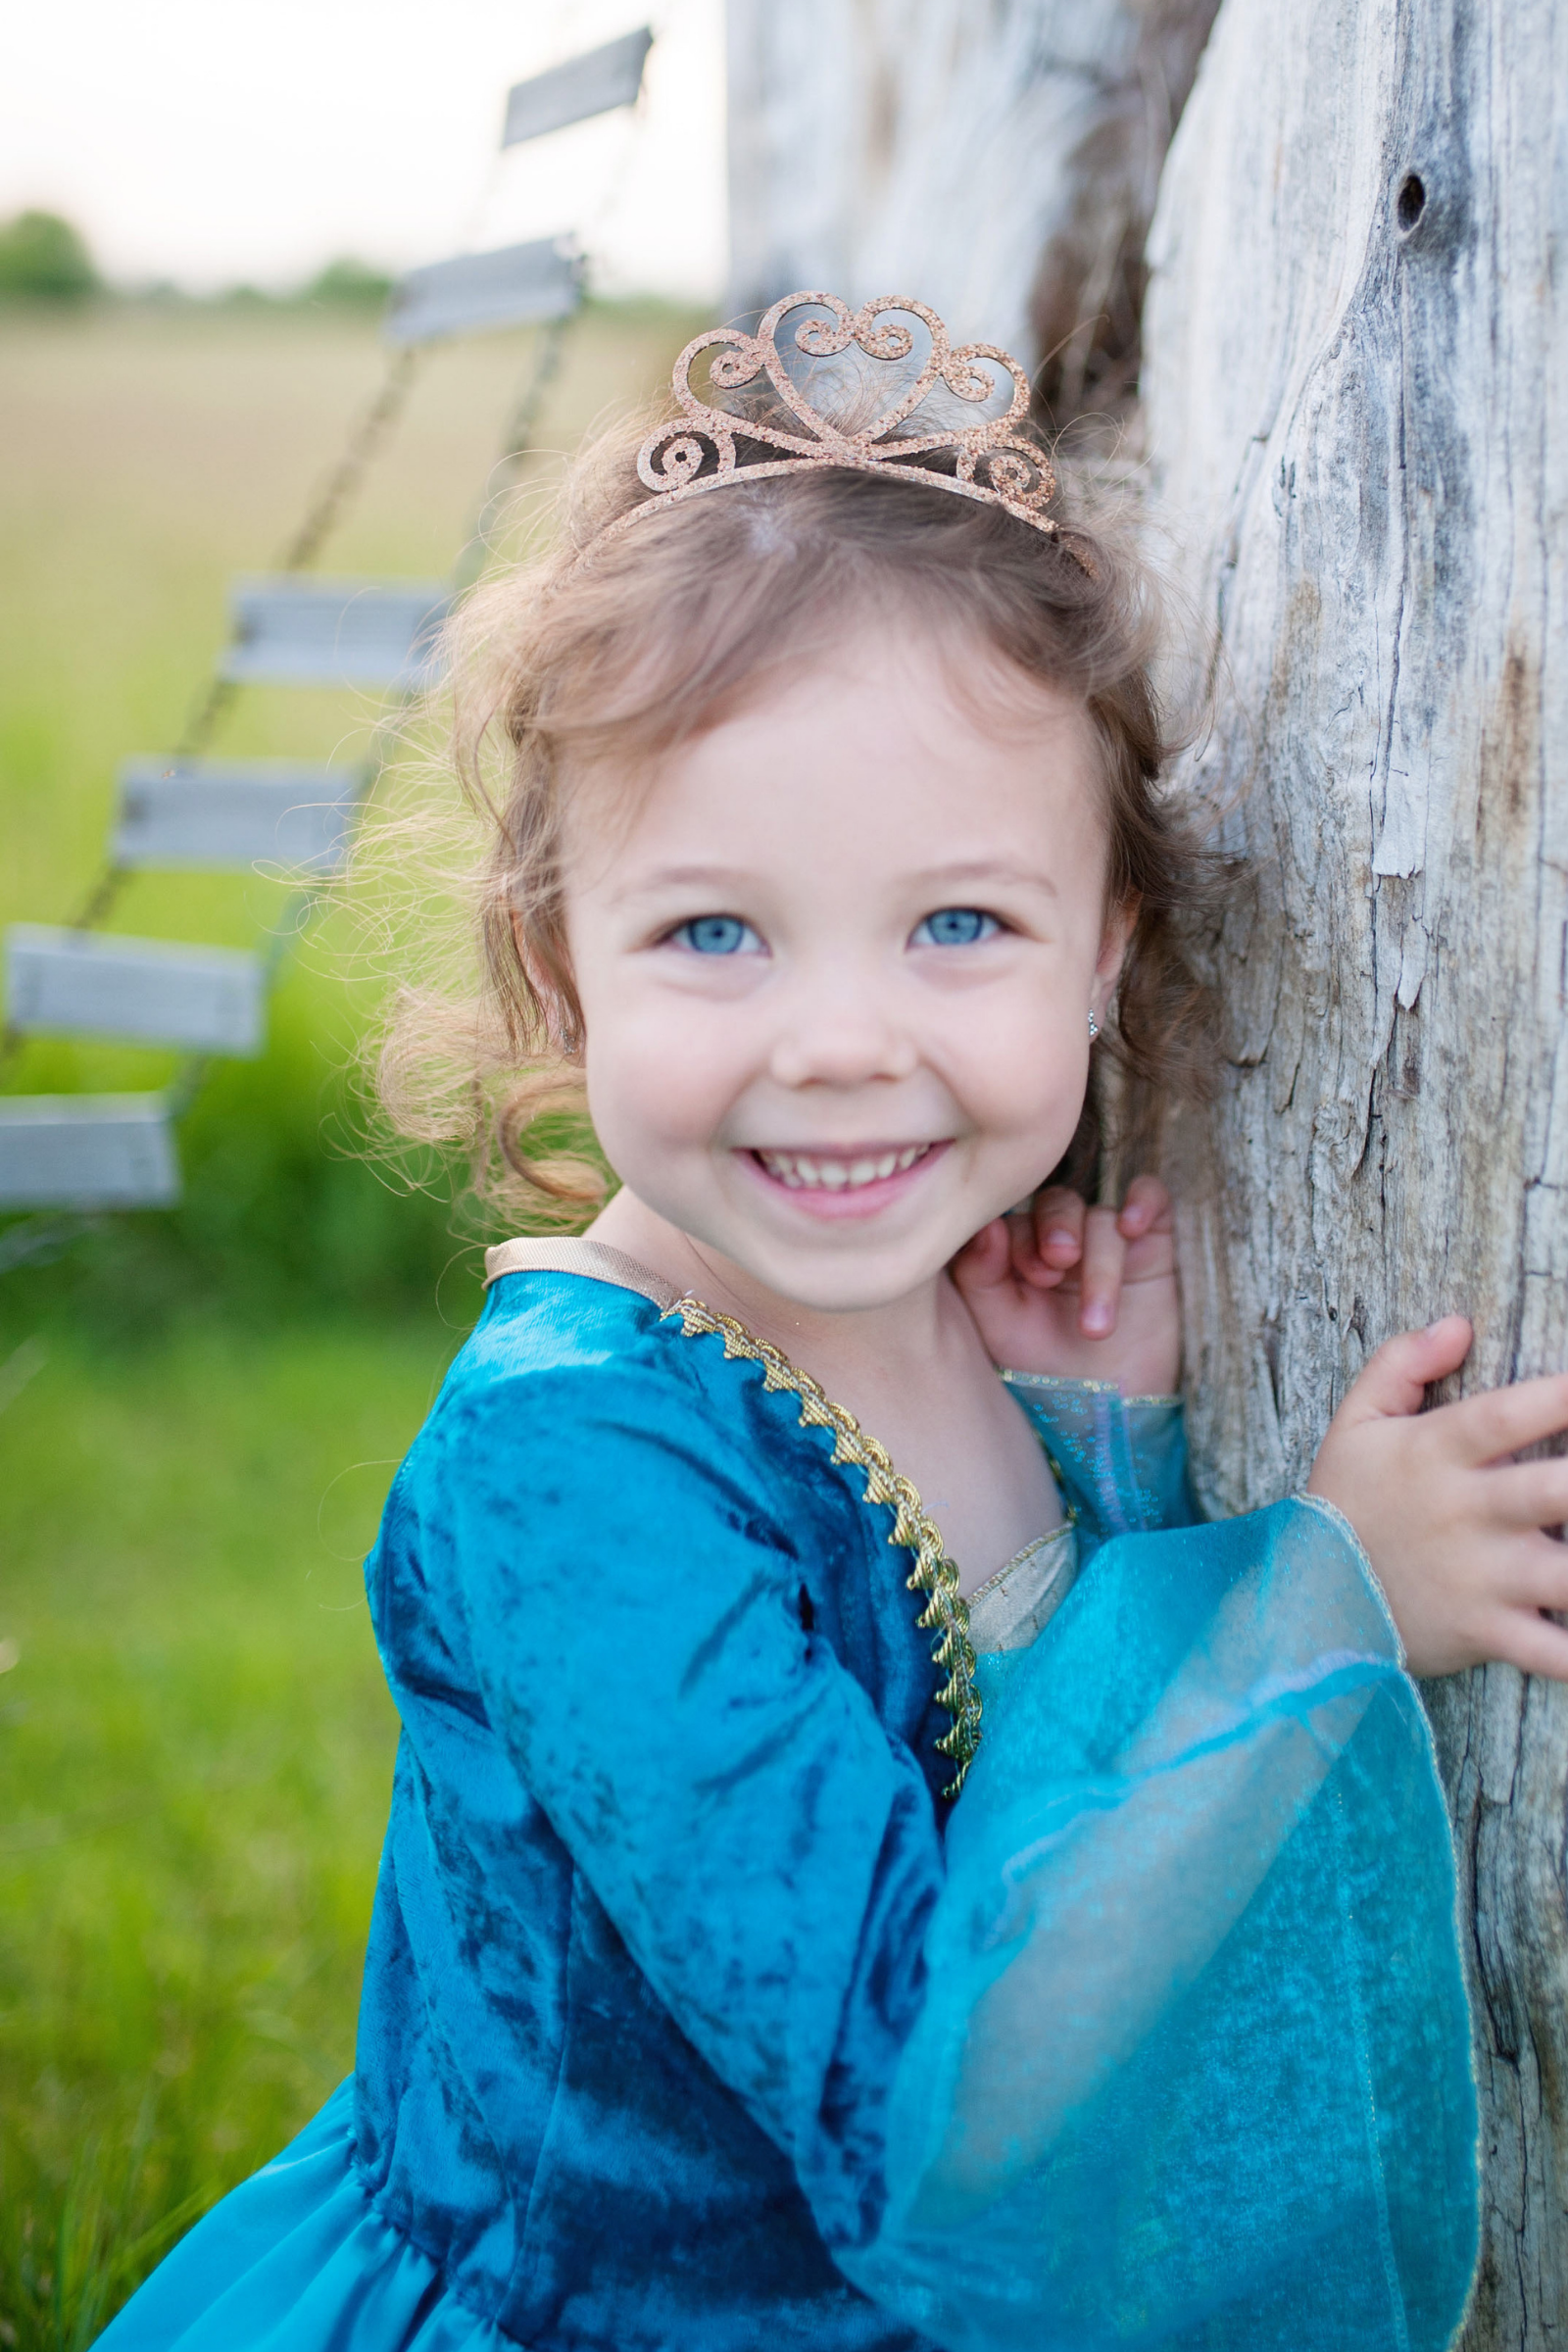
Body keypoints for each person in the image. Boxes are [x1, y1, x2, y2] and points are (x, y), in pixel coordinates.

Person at [98, 292, 1568, 2352]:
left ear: (1098, 954)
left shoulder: (930, 1322)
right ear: (562, 966)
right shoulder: (568, 1468)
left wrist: (1089, 1462)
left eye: (956, 923)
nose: (842, 1045)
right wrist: (1308, 1606)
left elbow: (996, 1728)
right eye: (713, 931)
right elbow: (932, 2087)